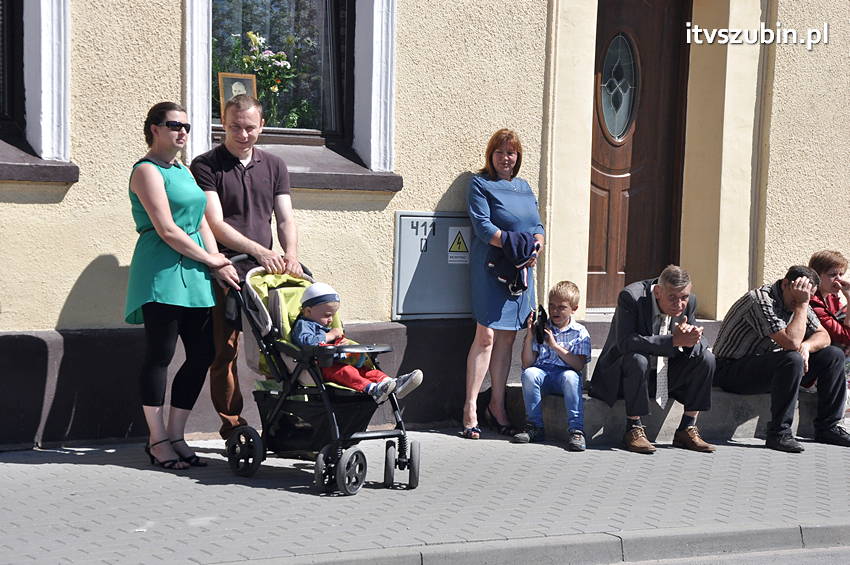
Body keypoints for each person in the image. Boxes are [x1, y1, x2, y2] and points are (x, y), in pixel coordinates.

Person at [125, 101, 240, 470]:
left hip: (195, 272)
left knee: (203, 354)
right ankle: (157, 440)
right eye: (175, 125)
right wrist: (210, 260)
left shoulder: (185, 171)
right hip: (161, 269)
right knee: (160, 356)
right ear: (154, 128)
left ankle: (177, 433)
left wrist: (217, 262)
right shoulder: (146, 171)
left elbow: (202, 223)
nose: (183, 133)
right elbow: (167, 229)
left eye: (187, 127)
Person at [191, 94, 302, 440]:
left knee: (281, 344)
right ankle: (232, 424)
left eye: (250, 128)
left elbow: (285, 217)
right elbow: (215, 223)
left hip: (266, 274)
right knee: (225, 350)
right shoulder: (206, 165)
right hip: (226, 268)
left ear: (262, 126)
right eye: (236, 127)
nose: (243, 134)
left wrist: (291, 254)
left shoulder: (274, 165)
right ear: (223, 124)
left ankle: (287, 416)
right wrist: (258, 249)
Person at [713, 265, 850, 453]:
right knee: (791, 359)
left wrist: (807, 346)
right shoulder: (759, 300)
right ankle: (779, 433)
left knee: (833, 355)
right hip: (730, 370)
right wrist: (802, 305)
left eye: (807, 297)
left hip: (767, 367)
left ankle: (828, 427)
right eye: (800, 297)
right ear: (785, 284)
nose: (802, 302)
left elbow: (824, 336)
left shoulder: (800, 297)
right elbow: (791, 342)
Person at [462, 128, 545, 439]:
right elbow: (483, 227)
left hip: (521, 273)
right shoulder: (480, 184)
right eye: (499, 152)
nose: (505, 158)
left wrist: (535, 246)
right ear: (491, 156)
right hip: (491, 270)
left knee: (507, 340)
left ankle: (496, 406)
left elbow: (537, 224)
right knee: (485, 337)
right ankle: (470, 407)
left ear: (518, 156)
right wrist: (520, 249)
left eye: (510, 152)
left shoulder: (524, 188)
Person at [589, 265, 716, 454]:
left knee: (707, 358)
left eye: (684, 298)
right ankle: (634, 428)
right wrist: (672, 341)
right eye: (672, 298)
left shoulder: (689, 302)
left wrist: (692, 340)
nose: (679, 304)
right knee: (637, 358)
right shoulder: (631, 297)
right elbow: (625, 342)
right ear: (658, 291)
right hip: (625, 376)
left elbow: (701, 340)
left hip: (663, 377)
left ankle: (687, 427)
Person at [290, 282, 424, 401]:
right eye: (327, 315)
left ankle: (392, 383)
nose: (331, 320)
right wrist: (331, 335)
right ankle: (373, 389)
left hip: (337, 359)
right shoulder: (304, 325)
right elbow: (307, 342)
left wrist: (343, 343)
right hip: (322, 367)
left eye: (333, 315)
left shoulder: (323, 325)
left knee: (367, 370)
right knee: (348, 372)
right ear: (308, 311)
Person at [512, 281, 591, 451]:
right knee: (529, 374)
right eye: (552, 306)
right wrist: (530, 335)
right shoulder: (543, 328)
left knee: (571, 377)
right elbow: (527, 363)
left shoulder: (580, 332)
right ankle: (535, 426)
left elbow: (578, 365)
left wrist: (555, 346)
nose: (555, 311)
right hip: (544, 373)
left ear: (574, 309)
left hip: (565, 375)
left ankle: (576, 430)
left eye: (562, 307)